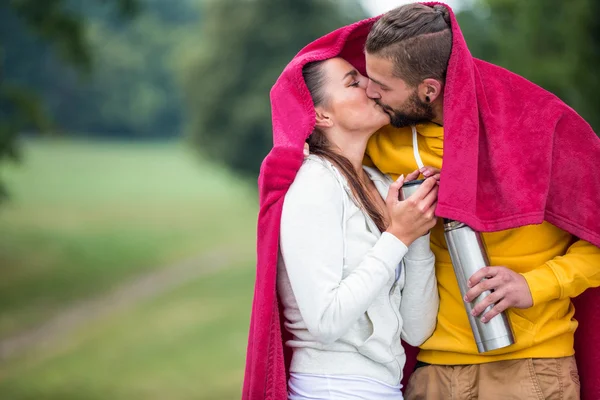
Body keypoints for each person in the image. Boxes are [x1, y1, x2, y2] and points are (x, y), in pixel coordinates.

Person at [361, 3, 600, 399]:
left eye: (382, 86)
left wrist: (535, 284)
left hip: (531, 371)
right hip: (432, 372)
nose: (371, 94)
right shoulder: (386, 138)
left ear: (428, 89)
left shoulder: (541, 126)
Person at [278, 56, 439, 400]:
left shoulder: (382, 186)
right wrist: (396, 237)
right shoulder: (314, 184)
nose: (371, 87)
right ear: (320, 115)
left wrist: (417, 231)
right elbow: (325, 322)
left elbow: (416, 330)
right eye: (353, 83)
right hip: (331, 388)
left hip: (385, 388)